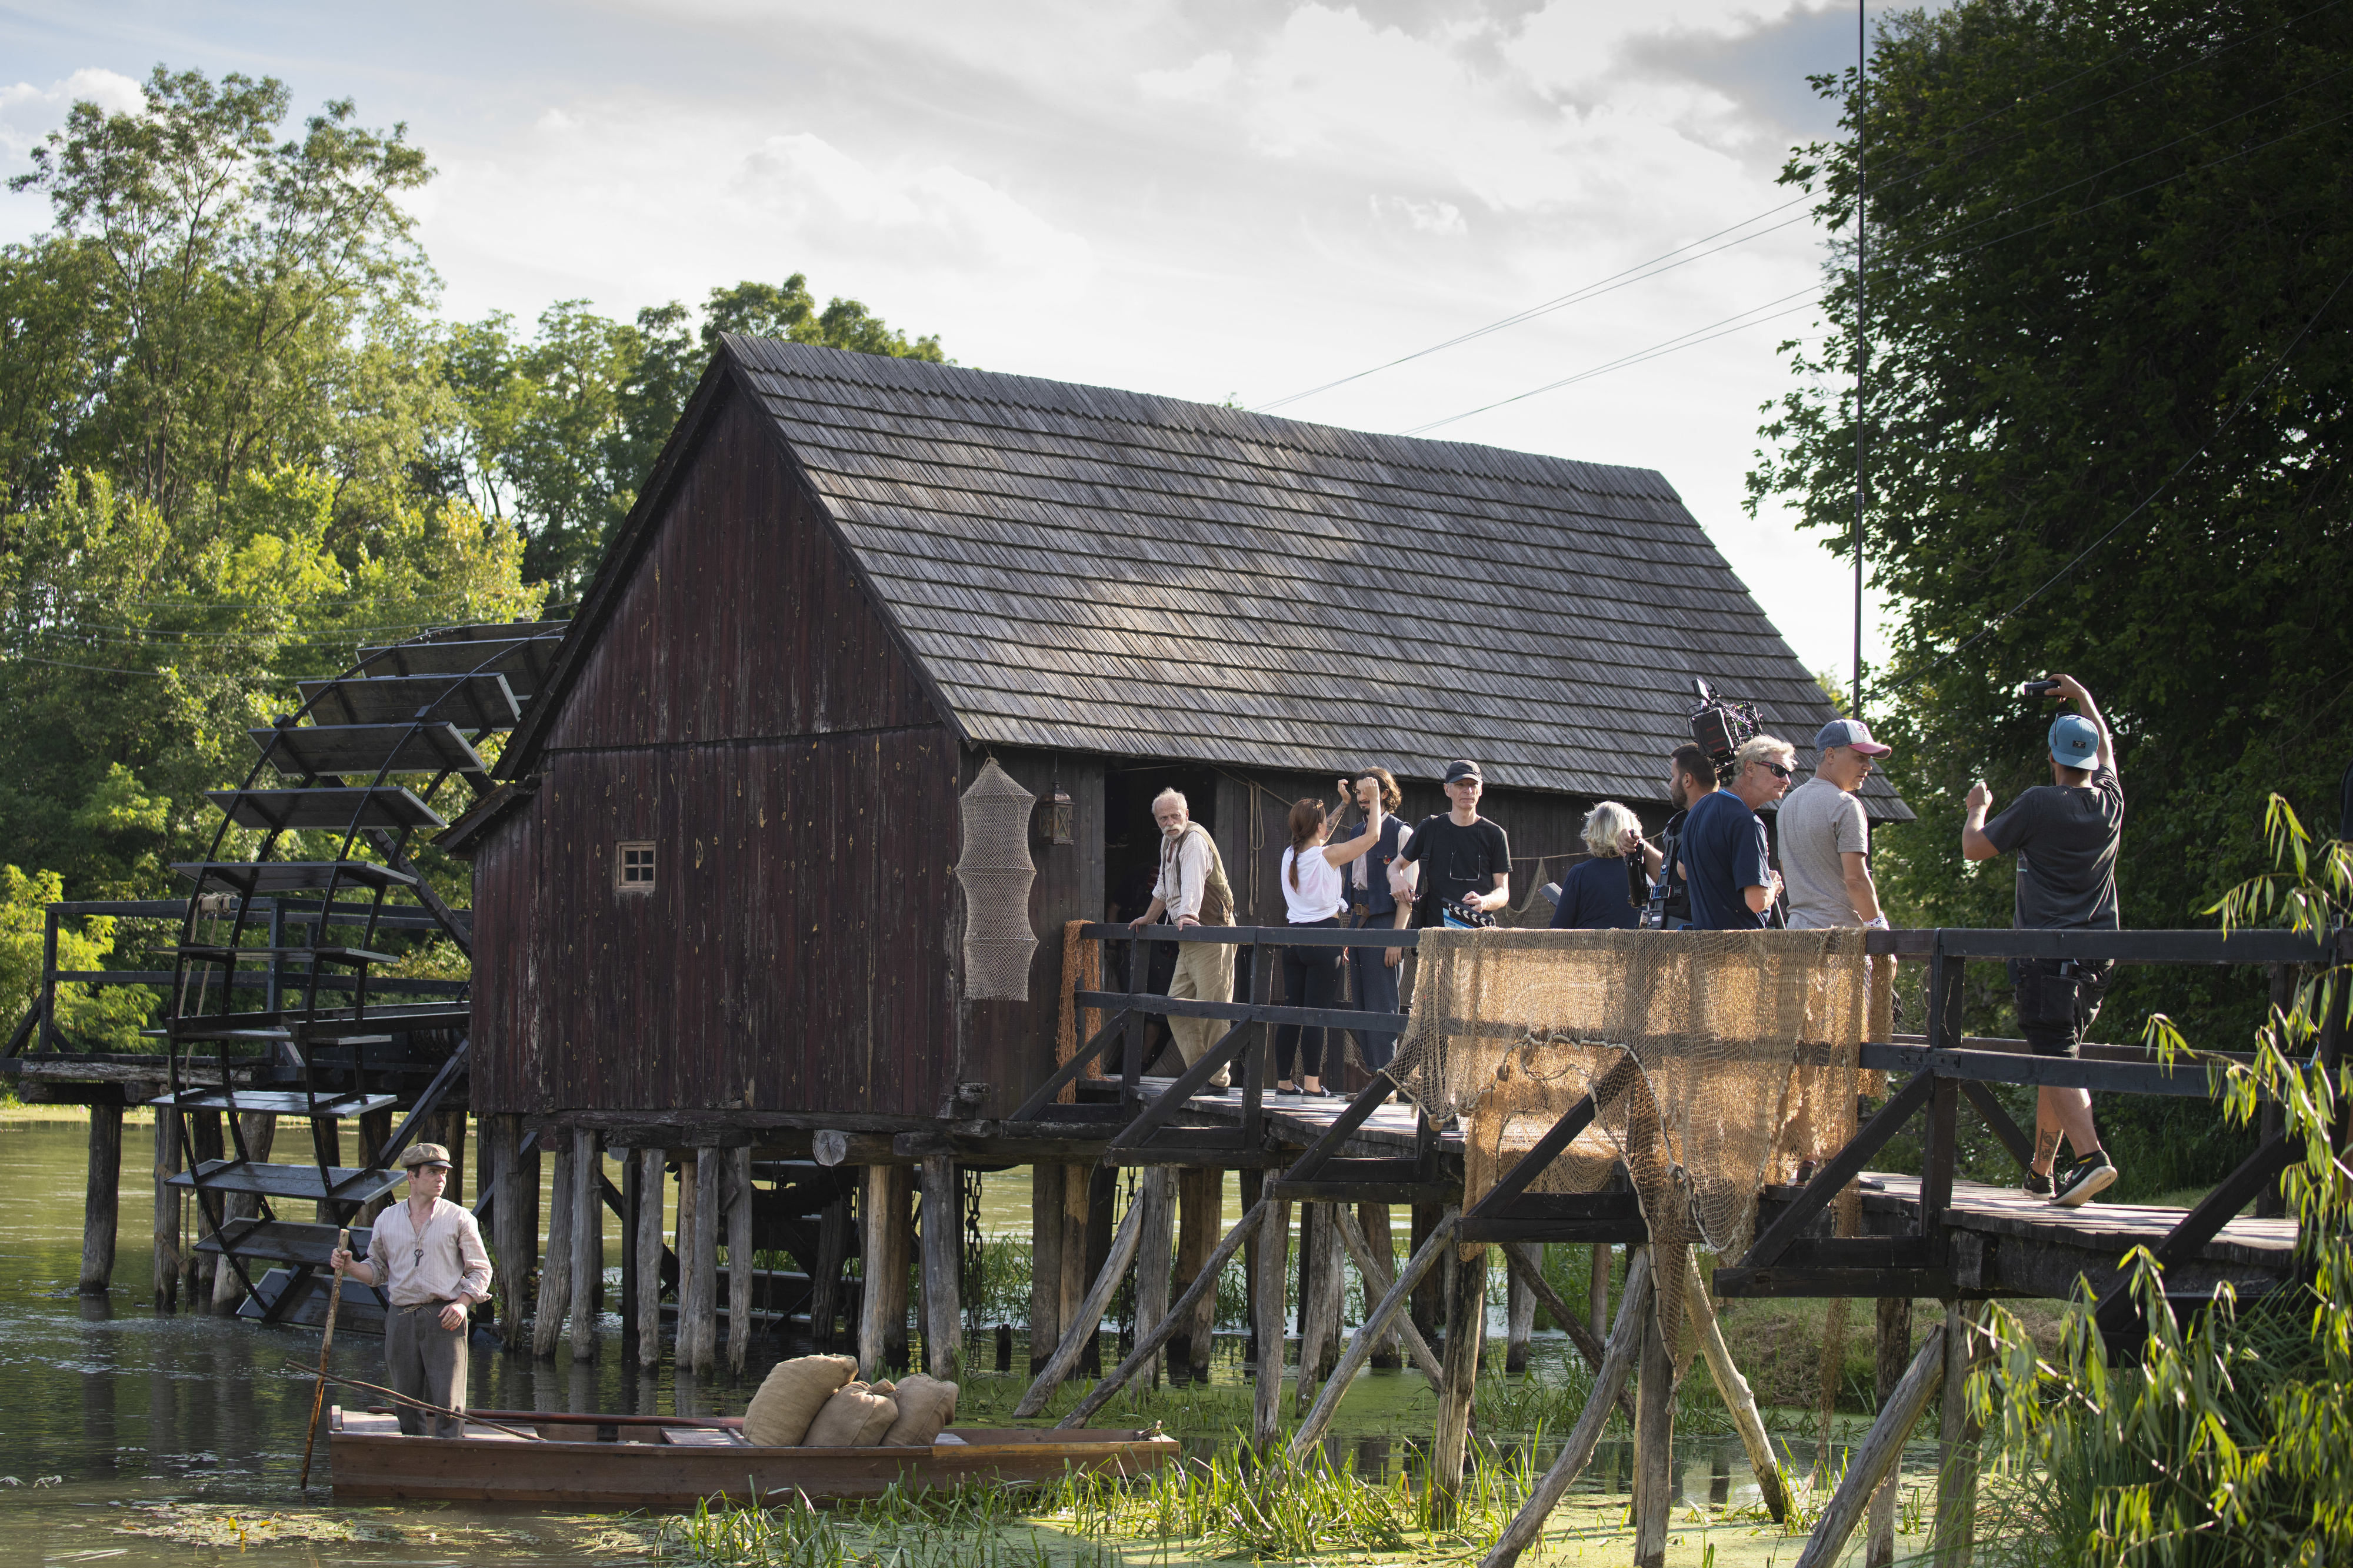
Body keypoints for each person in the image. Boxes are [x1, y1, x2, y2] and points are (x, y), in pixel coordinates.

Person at [1964, 674, 2125, 1207]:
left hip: (2045, 955)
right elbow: (2107, 747)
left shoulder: (2038, 803)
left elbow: (1975, 849)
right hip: (2097, 956)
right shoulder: (2110, 804)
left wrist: (1976, 808)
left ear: (2053, 759)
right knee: (2060, 1050)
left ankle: (2091, 1158)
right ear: (2093, 758)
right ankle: (2041, 1171)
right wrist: (2084, 697)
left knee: (2055, 1057)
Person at [327, 1143, 492, 1437]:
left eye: (444, 1173)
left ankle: (448, 1460)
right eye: (433, 1173)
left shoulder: (459, 1218)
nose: (441, 1179)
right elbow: (377, 1271)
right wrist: (350, 1266)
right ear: (412, 1177)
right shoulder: (387, 1220)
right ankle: (414, 1457)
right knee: (405, 1402)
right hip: (400, 1317)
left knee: (448, 1403)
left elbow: (482, 1270)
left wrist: (463, 1304)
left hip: (445, 1316)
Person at [1274, 791, 1385, 1096]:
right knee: (1315, 1014)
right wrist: (1374, 799)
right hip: (1324, 938)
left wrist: (1344, 805)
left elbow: (1319, 832)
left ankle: (1284, 1081)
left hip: (1293, 940)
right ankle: (1311, 1084)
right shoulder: (1327, 855)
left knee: (1290, 1011)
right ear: (1320, 829)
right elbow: (1373, 836)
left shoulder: (1290, 855)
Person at [1128, 788, 1238, 1089]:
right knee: (1176, 1006)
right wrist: (1149, 918)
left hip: (1210, 934)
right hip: (1188, 936)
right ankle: (1203, 1072)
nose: (1170, 822)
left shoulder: (1193, 841)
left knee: (1214, 1010)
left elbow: (1192, 881)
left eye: (1175, 816)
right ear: (1157, 821)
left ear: (1186, 815)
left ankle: (1217, 1078)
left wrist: (1187, 914)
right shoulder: (1168, 842)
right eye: (1163, 818)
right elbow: (1165, 886)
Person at [1779, 718, 1892, 930]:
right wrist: (1880, 933)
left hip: (1795, 941)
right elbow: (1856, 880)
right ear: (1830, 755)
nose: (1868, 766)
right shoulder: (1846, 805)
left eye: (1868, 759)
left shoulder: (1787, 804)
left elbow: (1789, 874)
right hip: (1839, 943)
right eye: (1860, 757)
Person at [1335, 768, 1414, 1073]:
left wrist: (1397, 939)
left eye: (1368, 791)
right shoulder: (1357, 833)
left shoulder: (1402, 833)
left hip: (1386, 923)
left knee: (1383, 1003)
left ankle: (1387, 1081)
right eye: (1358, 792)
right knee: (1362, 1004)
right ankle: (1374, 1076)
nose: (1361, 798)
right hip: (1359, 922)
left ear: (1385, 794)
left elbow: (1409, 893)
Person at [1679, 736, 1792, 930]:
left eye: (1788, 773)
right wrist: (1772, 886)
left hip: (1702, 949)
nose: (1787, 780)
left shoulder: (1700, 807)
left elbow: (1683, 871)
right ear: (1750, 768)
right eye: (1779, 770)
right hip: (1738, 951)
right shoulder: (1747, 823)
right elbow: (1756, 902)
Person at [1390, 759, 1510, 928]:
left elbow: (1503, 892)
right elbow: (1395, 866)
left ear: (1480, 789)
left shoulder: (1495, 834)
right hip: (1436, 935)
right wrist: (1396, 878)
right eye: (1460, 784)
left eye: (1473, 784)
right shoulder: (1430, 828)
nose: (1468, 790)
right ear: (1447, 789)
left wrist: (1485, 901)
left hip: (1480, 937)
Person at [1627, 744, 1717, 928]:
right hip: (1669, 929)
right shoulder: (1680, 823)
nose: (1670, 783)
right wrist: (1637, 845)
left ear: (1687, 780)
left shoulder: (1715, 822)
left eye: (1673, 776)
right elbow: (1672, 877)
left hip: (1698, 937)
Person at [1551, 801, 1645, 929]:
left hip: (1590, 948)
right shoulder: (1643, 873)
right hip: (1636, 948)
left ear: (1593, 832)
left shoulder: (1580, 874)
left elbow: (1558, 929)